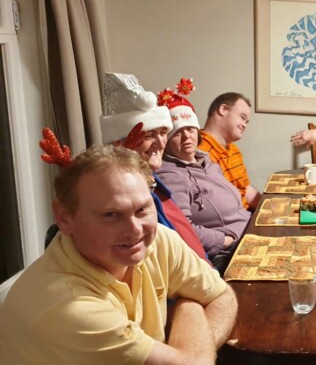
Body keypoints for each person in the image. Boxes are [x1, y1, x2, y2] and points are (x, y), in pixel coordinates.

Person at [0, 145, 237, 364]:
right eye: (111, 215)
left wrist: (199, 346)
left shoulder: (158, 241)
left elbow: (223, 296)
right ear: (64, 218)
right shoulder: (68, 307)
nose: (135, 230)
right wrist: (191, 304)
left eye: (142, 209)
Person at [100, 72, 210, 265]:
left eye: (163, 132)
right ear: (120, 144)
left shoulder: (153, 183)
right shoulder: (121, 198)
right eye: (149, 135)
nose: (160, 143)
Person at [157, 80, 251, 272]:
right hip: (230, 252)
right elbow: (182, 229)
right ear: (167, 139)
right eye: (177, 133)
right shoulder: (171, 176)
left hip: (248, 234)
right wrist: (225, 240)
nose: (186, 138)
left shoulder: (206, 162)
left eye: (190, 130)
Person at [198, 92, 260, 210]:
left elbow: (246, 190)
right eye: (242, 117)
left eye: (246, 122)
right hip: (231, 220)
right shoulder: (199, 151)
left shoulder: (234, 150)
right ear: (223, 109)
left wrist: (270, 207)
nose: (244, 125)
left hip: (246, 214)